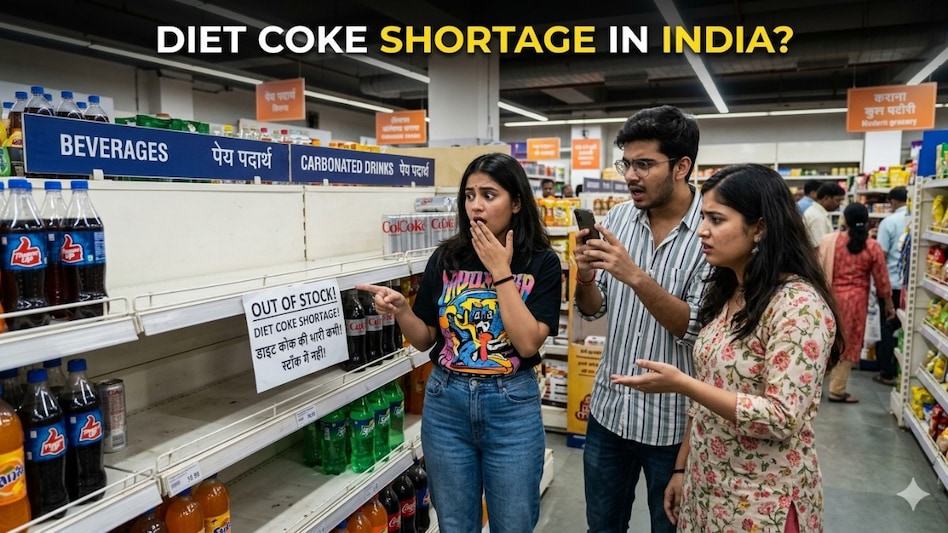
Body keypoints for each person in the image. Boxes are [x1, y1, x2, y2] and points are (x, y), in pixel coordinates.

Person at [612, 163, 843, 532]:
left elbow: (782, 417)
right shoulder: (729, 291)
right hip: (708, 486)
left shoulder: (798, 306)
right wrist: (681, 467)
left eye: (717, 220)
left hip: (762, 499)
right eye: (703, 217)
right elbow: (706, 396)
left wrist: (683, 384)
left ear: (760, 228)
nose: (702, 231)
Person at [357, 152, 561, 532]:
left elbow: (528, 343)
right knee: (453, 524)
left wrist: (501, 270)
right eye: (469, 195)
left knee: (514, 524)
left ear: (516, 202)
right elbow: (424, 340)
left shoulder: (541, 263)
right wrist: (402, 309)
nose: (476, 206)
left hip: (511, 408)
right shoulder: (447, 257)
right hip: (445, 404)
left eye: (489, 194)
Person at [573, 105, 707, 533]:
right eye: (627, 163)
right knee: (602, 526)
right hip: (610, 414)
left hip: (673, 426)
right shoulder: (617, 220)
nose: (631, 175)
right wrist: (587, 277)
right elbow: (593, 310)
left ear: (682, 166)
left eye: (645, 164)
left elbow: (694, 328)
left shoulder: (712, 229)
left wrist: (632, 274)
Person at [818, 202, 894, 403]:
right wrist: (889, 305)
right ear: (867, 221)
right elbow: (882, 279)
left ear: (845, 220)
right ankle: (837, 389)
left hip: (830, 297)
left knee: (826, 340)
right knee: (848, 343)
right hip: (856, 301)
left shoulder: (831, 241)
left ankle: (814, 385)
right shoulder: (872, 246)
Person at [873, 186, 908, 386]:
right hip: (907, 285)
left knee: (886, 327)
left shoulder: (889, 222)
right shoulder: (914, 219)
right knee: (904, 327)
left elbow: (881, 255)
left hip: (891, 283)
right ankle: (900, 368)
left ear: (893, 201)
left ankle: (886, 371)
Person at [803, 182, 845, 247]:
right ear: (826, 198)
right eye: (837, 200)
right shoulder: (817, 217)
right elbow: (819, 246)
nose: (839, 204)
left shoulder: (816, 212)